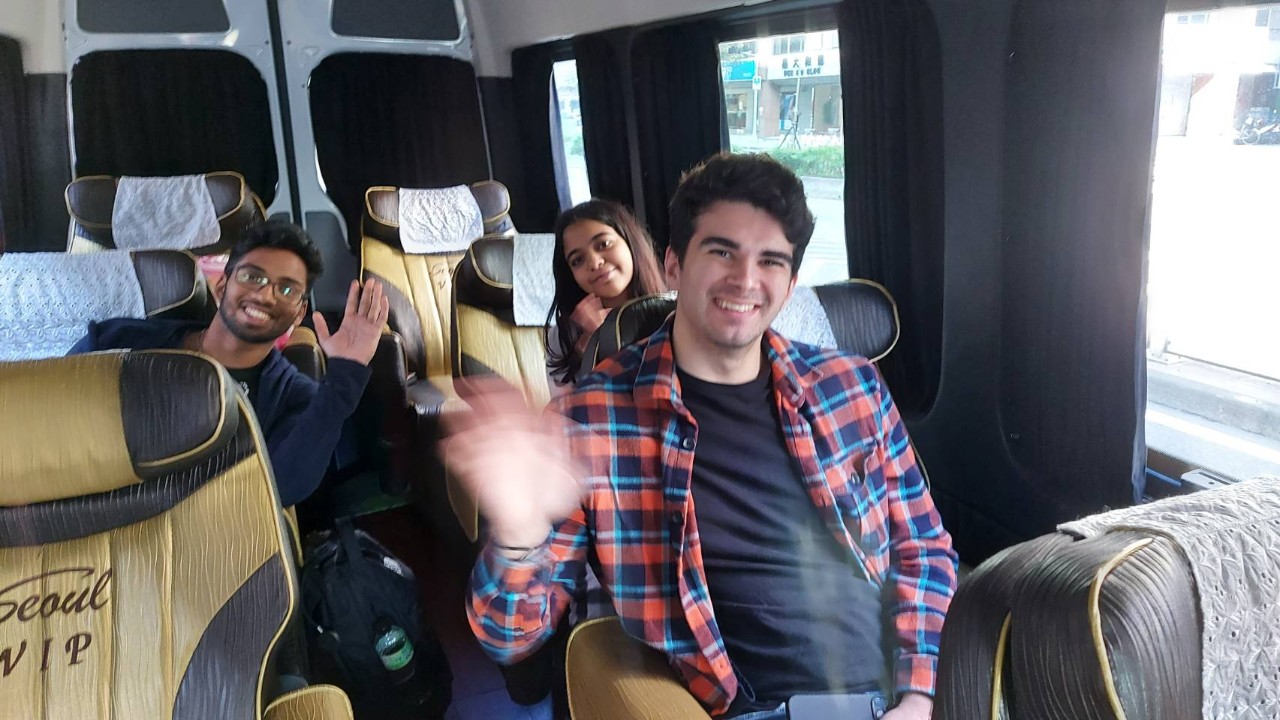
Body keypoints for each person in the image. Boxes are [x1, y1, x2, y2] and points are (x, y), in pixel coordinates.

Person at [448, 153, 957, 719]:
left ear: (789, 285)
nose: (745, 279)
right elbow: (510, 638)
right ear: (672, 266)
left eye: (770, 260)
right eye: (721, 252)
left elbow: (923, 549)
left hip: (907, 692)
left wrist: (920, 694)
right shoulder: (592, 418)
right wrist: (518, 531)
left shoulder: (852, 385)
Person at [69, 220, 388, 507]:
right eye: (252, 277)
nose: (265, 296)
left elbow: (282, 489)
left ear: (298, 312)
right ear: (222, 286)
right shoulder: (116, 338)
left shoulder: (293, 396)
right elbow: (55, 413)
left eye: (287, 289)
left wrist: (346, 374)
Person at [545, 199, 666, 385]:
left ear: (629, 241)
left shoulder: (674, 312)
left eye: (603, 244)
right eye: (578, 260)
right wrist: (592, 350)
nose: (594, 263)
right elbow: (565, 411)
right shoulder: (563, 337)